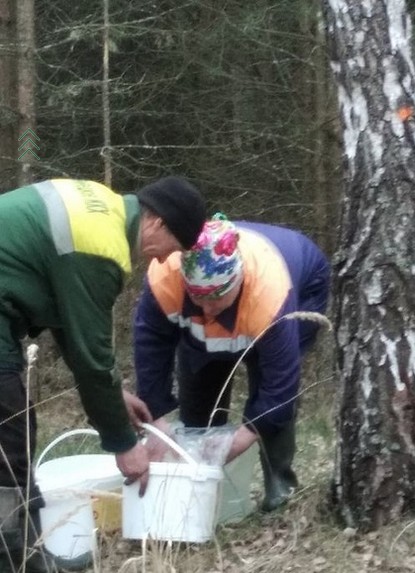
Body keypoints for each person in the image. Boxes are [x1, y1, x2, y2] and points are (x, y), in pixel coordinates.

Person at [0, 176, 206, 571]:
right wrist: (123, 444)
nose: (162, 260)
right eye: (171, 249)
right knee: (10, 436)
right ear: (158, 223)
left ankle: (25, 552)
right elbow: (92, 356)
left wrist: (115, 398)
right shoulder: (101, 250)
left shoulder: (101, 208)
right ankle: (16, 560)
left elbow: (69, 325)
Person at [132, 215, 330, 512]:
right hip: (234, 304)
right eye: (199, 298)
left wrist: (243, 438)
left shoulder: (270, 294)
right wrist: (157, 420)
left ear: (238, 280)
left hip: (303, 284)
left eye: (217, 297)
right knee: (199, 366)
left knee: (268, 383)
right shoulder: (165, 278)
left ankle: (279, 484)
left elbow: (281, 380)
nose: (208, 308)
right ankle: (201, 487)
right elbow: (150, 349)